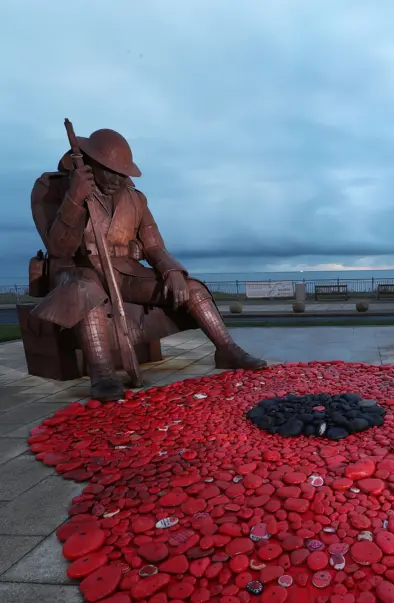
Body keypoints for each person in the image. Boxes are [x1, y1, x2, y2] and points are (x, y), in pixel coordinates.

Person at [30, 127, 266, 401]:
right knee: (86, 288)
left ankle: (227, 350)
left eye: (122, 172)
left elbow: (154, 246)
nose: (118, 179)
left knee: (191, 288)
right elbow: (59, 248)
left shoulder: (135, 199)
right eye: (111, 171)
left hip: (124, 273)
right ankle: (102, 374)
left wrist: (173, 271)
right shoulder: (52, 187)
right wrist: (74, 198)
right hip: (75, 274)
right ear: (91, 162)